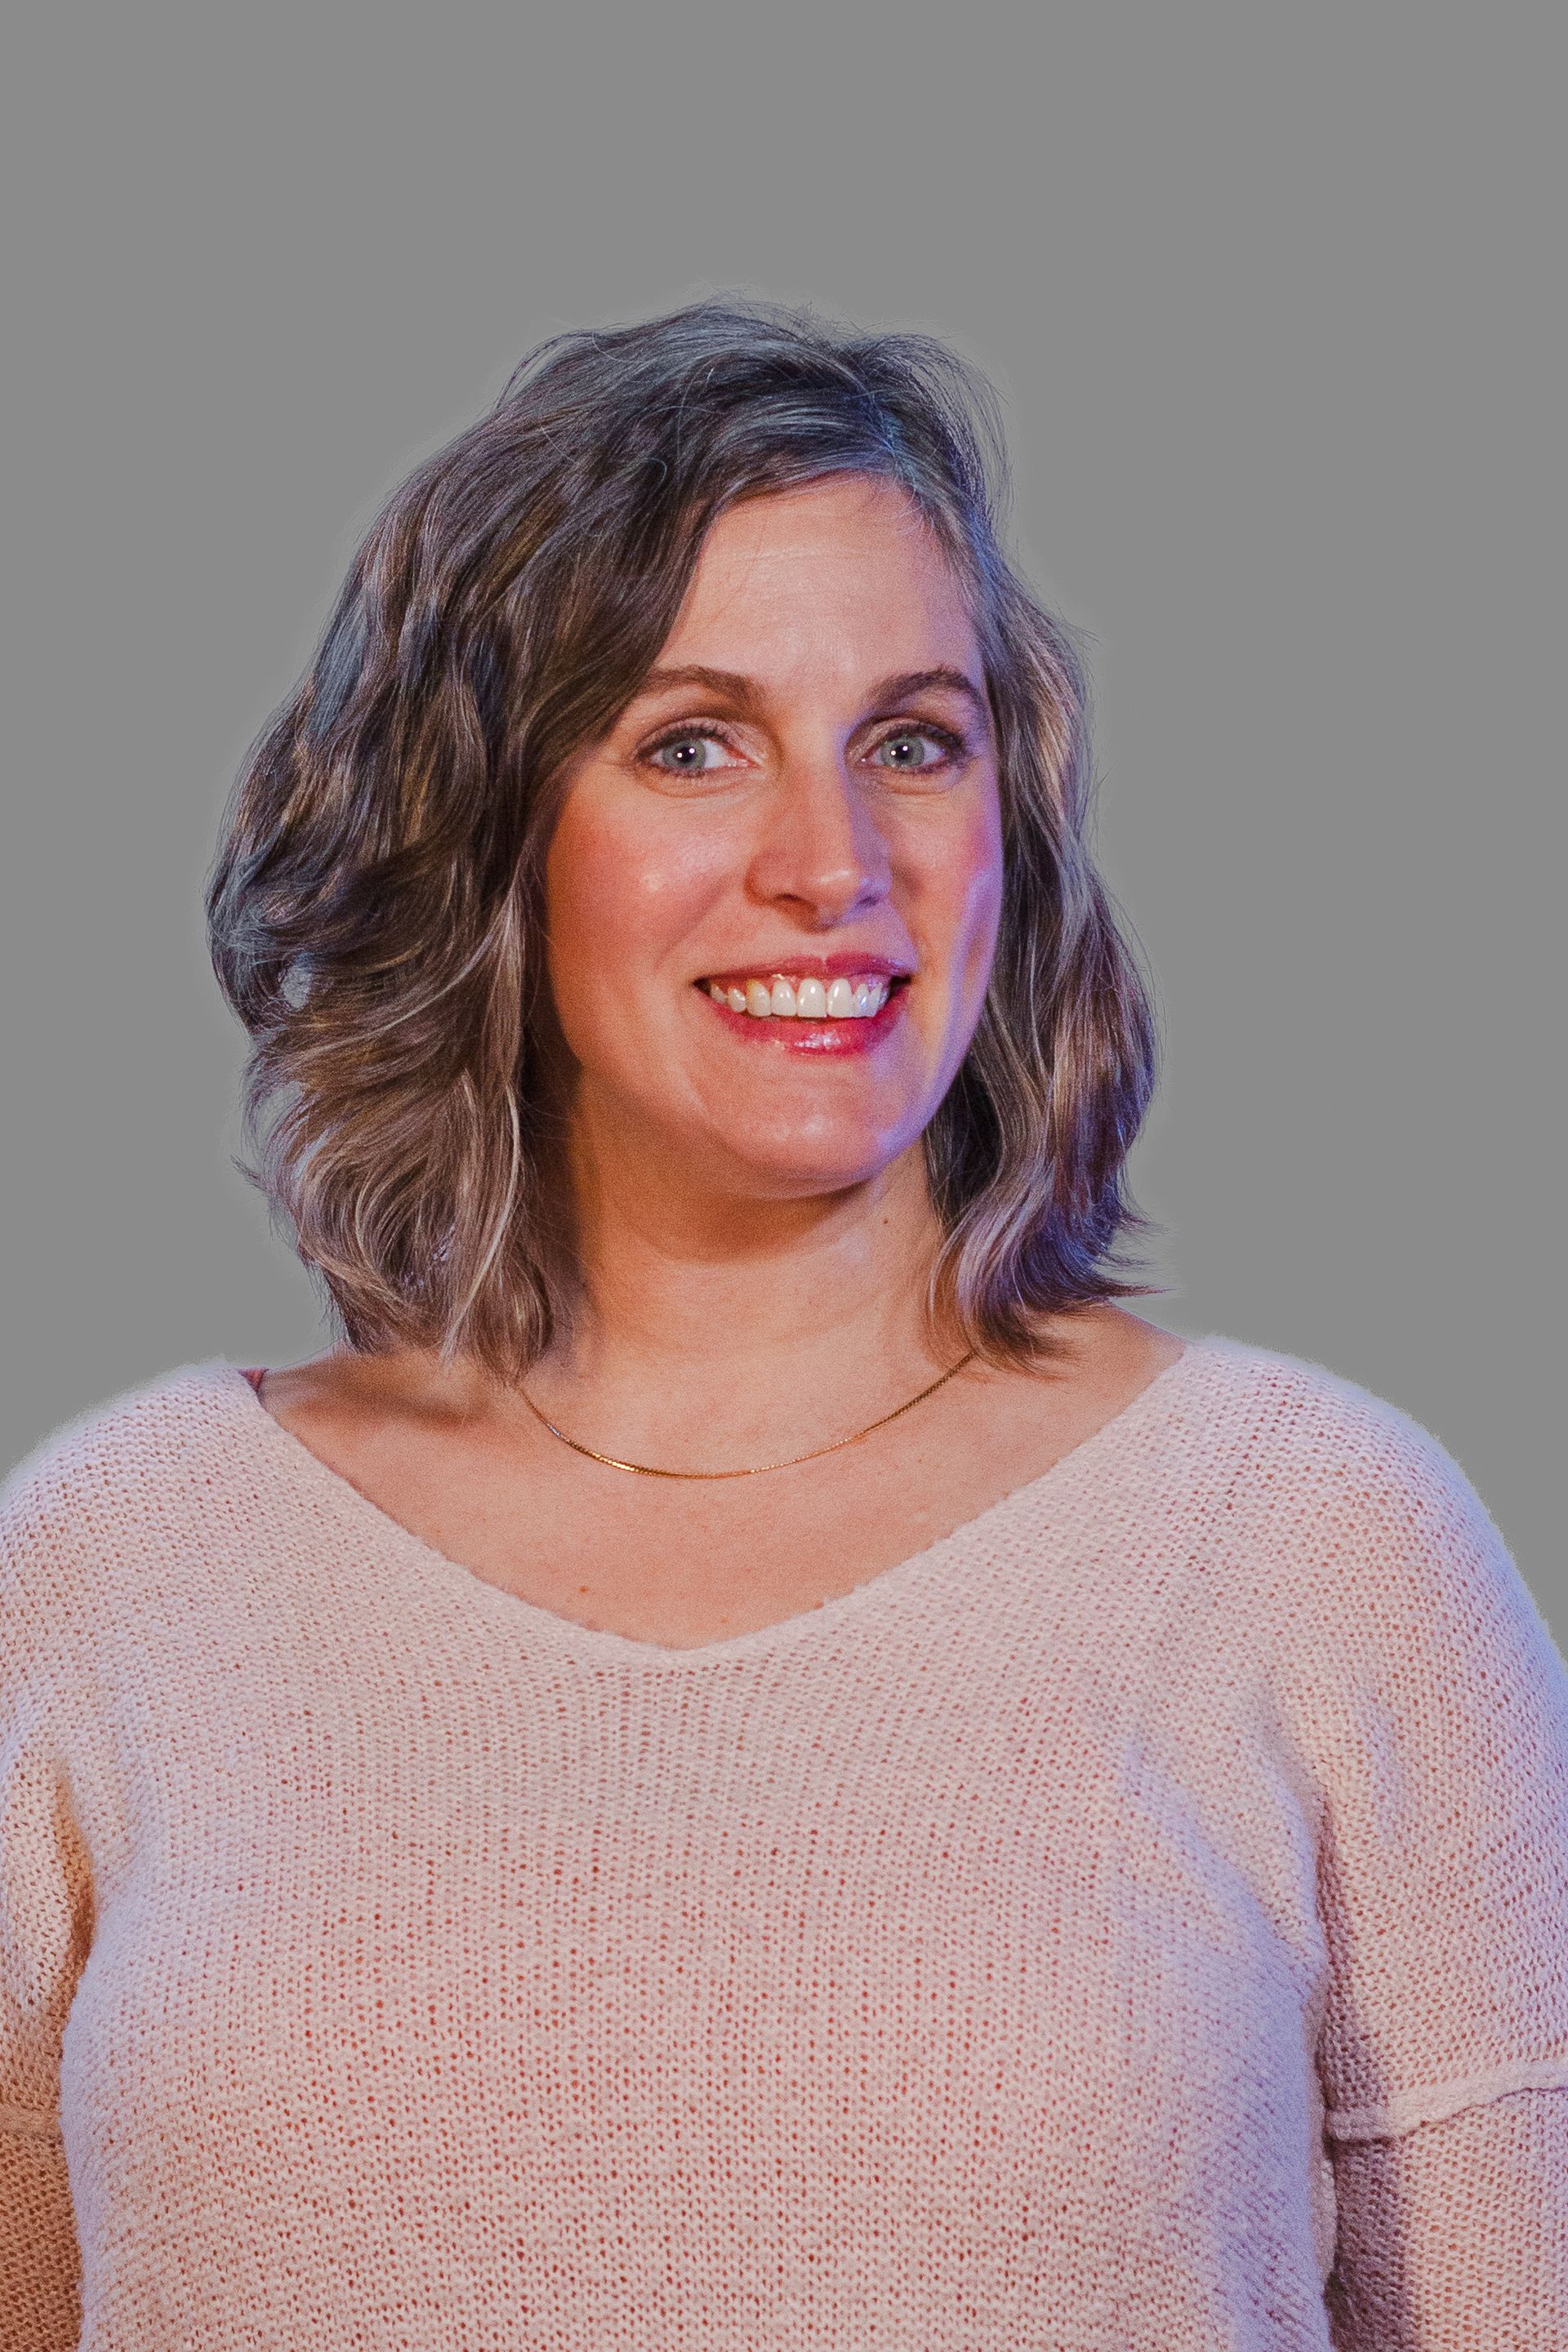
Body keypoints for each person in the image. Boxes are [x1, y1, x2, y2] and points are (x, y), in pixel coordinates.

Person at [2, 299, 1564, 2350]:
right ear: (486, 836)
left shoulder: (1317, 1548)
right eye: (690, 743)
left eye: (913, 742)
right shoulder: (117, 1564)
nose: (834, 866)